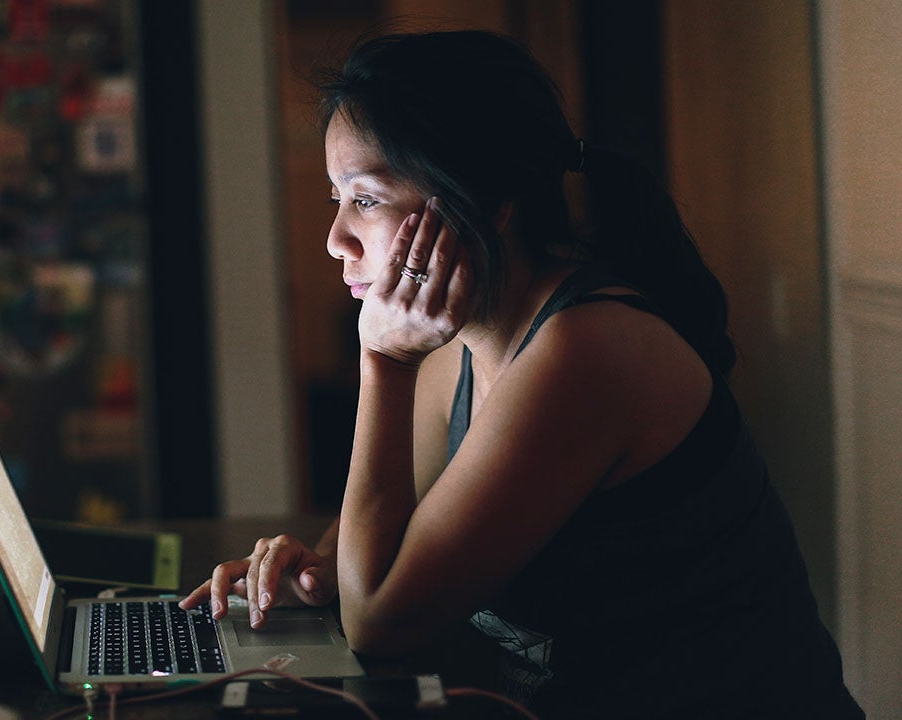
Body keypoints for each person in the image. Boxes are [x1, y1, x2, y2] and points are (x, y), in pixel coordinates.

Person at [179, 30, 863, 718]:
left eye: (365, 199)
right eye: (336, 199)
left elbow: (382, 618)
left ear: (482, 201)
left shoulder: (588, 351)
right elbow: (382, 548)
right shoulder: (460, 343)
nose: (335, 239)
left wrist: (383, 361)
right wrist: (316, 572)